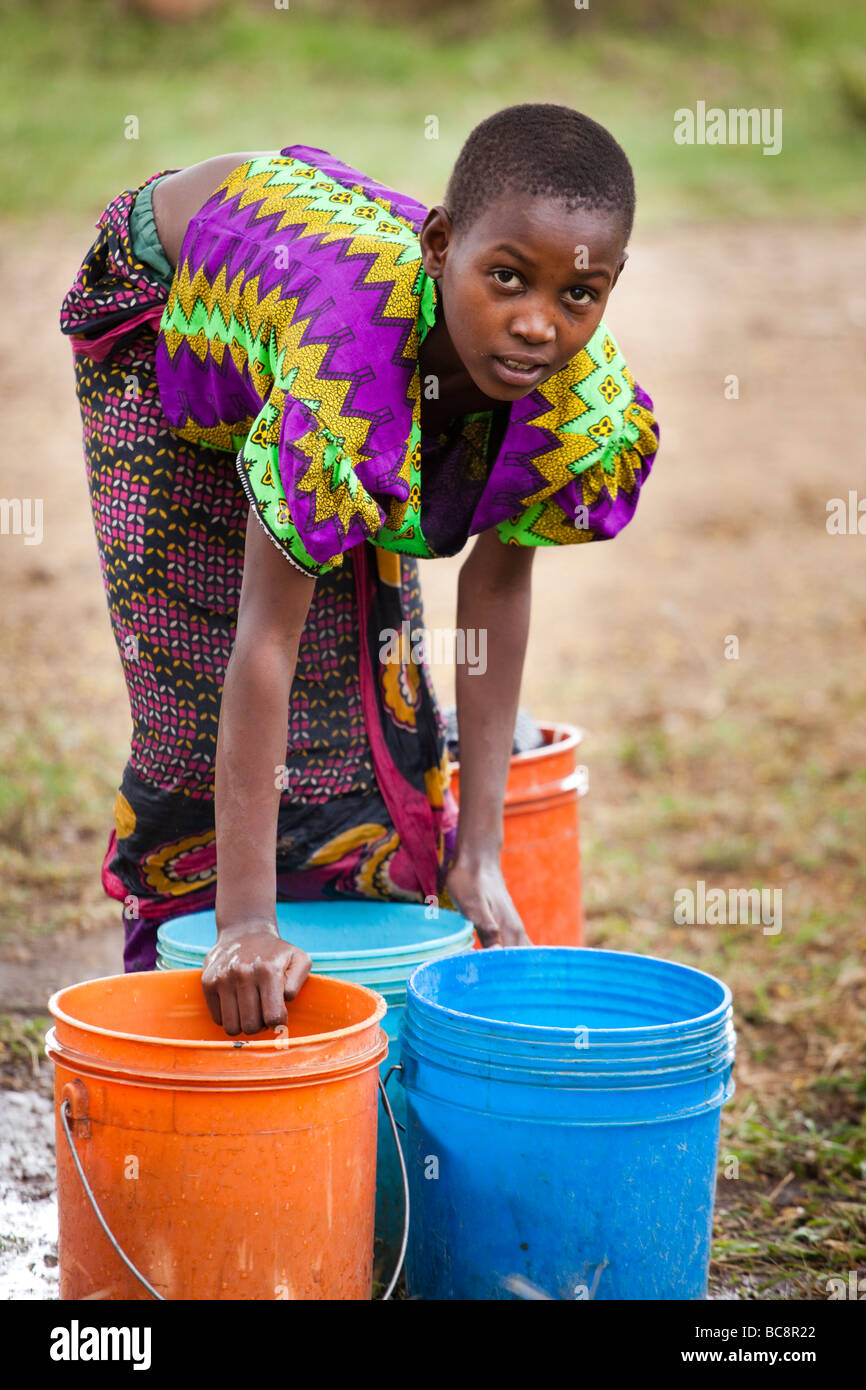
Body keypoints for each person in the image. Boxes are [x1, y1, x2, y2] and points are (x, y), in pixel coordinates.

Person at [60, 103, 659, 1036]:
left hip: (339, 306)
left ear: (610, 286)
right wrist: (245, 922)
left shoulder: (577, 399)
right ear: (441, 245)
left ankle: (363, 920)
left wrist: (483, 855)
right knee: (196, 656)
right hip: (173, 285)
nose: (539, 325)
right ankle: (198, 949)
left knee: (373, 667)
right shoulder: (345, 383)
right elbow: (263, 639)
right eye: (507, 279)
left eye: (576, 297)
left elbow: (496, 592)